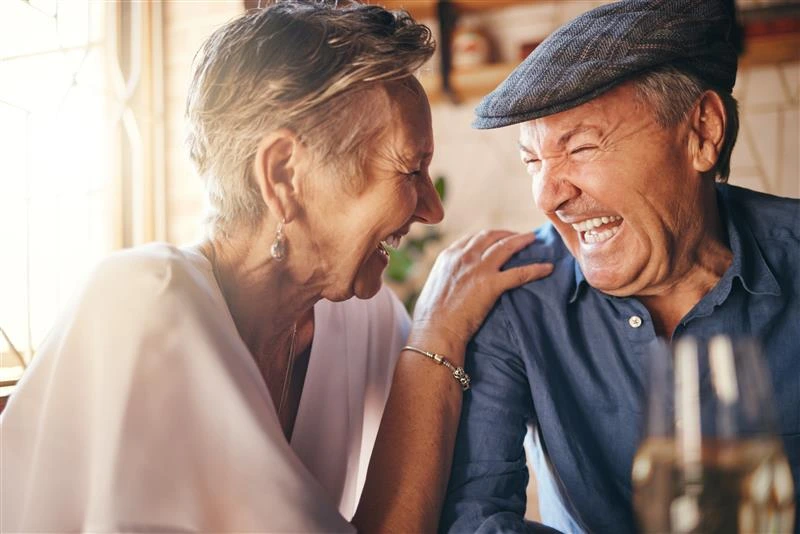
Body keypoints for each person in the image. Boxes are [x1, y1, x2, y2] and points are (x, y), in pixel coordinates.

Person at [0, 2, 555, 533]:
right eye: (410, 169)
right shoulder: (142, 300)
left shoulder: (364, 320)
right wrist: (439, 329)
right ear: (285, 176)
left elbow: (447, 484)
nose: (432, 209)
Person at [441, 0, 800, 533]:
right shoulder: (518, 297)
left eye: (582, 146)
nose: (548, 195)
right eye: (532, 161)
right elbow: (476, 520)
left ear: (702, 132)